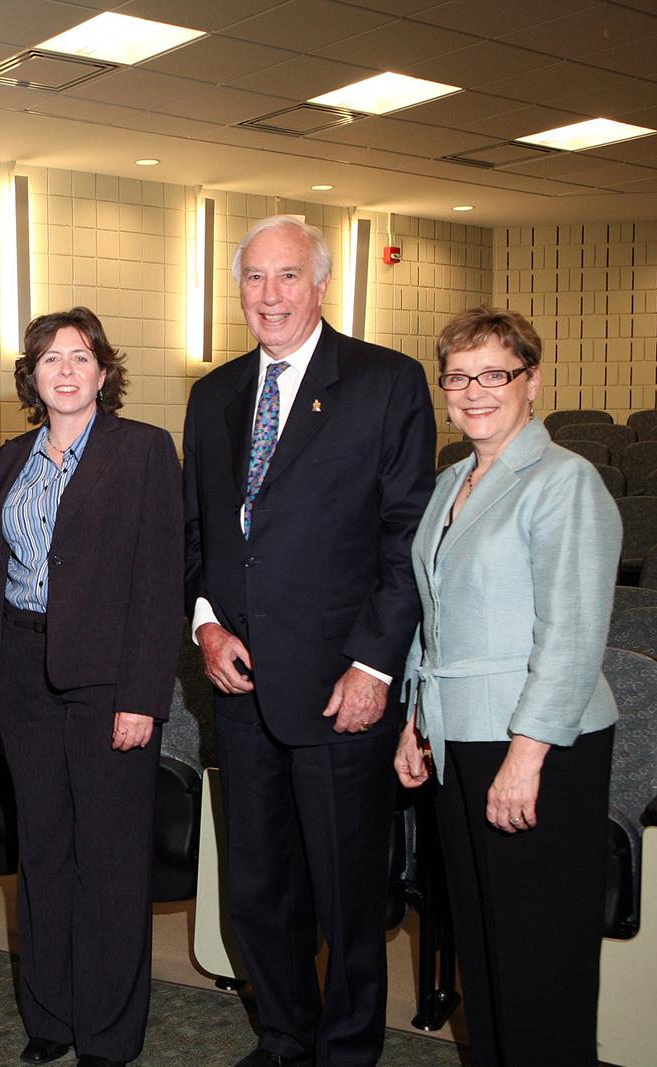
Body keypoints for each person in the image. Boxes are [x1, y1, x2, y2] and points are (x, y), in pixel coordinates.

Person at [182, 216, 435, 1067]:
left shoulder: (384, 382)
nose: (269, 295)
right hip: (241, 683)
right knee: (257, 889)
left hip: (340, 685)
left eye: (287, 276)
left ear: (322, 283)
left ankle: (349, 1048)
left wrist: (374, 665)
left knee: (346, 889)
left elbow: (407, 540)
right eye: (254, 278)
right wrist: (205, 623)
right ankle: (285, 1037)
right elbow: (200, 533)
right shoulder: (212, 394)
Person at [395, 307, 619, 1066]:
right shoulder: (451, 479)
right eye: (458, 376)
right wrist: (414, 721)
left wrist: (527, 755)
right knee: (485, 944)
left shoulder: (564, 481)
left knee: (538, 955)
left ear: (533, 382)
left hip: (539, 740)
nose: (474, 391)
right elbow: (436, 614)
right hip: (461, 735)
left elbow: (573, 632)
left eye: (495, 373)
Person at [0, 308, 183, 1067]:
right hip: (26, 675)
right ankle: (52, 1012)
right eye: (49, 359)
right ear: (31, 376)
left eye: (80, 356)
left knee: (110, 857)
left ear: (104, 371)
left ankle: (107, 1031)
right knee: (43, 849)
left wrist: (143, 695)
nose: (65, 370)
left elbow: (161, 579)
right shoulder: (7, 459)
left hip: (109, 681)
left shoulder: (144, 451)